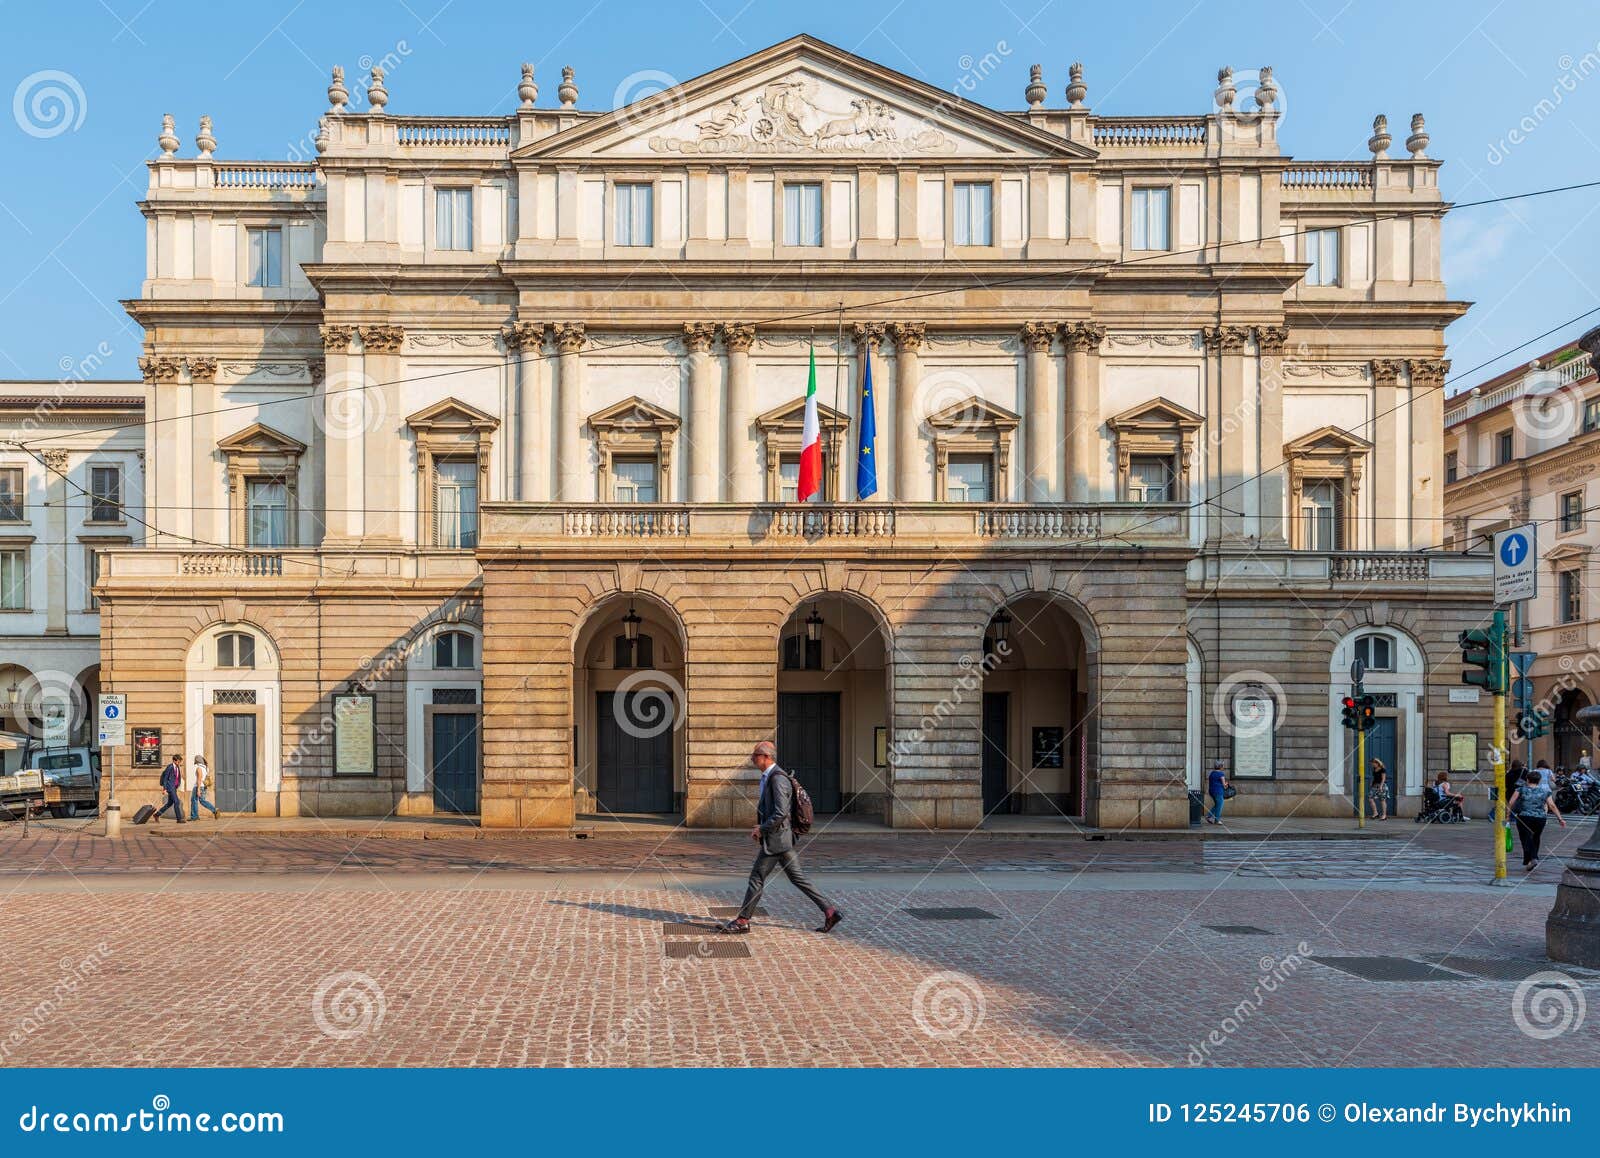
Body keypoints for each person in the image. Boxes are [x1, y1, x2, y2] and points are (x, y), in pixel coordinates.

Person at [721, 741, 841, 935]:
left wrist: (762, 828)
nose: (753, 759)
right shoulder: (770, 777)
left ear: (767, 757)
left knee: (756, 878)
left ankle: (743, 921)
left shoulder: (777, 779)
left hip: (776, 840)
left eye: (756, 755)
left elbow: (780, 813)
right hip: (782, 840)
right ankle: (830, 911)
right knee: (798, 879)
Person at [1508, 768, 1566, 871]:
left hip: (1524, 817)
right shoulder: (1545, 791)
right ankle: (1530, 859)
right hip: (1540, 818)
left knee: (1525, 838)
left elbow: (1511, 803)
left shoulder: (1520, 789)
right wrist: (1560, 819)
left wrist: (1507, 815)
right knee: (1536, 837)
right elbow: (1552, 805)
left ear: (1527, 780)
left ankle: (1532, 858)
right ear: (1539, 781)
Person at [153, 754, 186, 824]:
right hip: (170, 787)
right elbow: (165, 778)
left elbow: (177, 777)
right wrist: (164, 789)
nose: (179, 763)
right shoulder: (170, 767)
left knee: (169, 804)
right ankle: (179, 819)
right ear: (174, 760)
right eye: (178, 761)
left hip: (174, 787)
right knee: (177, 802)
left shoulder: (177, 767)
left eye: (180, 761)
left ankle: (157, 814)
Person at [189, 754, 219, 820]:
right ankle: (214, 810)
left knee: (194, 800)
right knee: (202, 801)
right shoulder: (205, 768)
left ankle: (194, 816)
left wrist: (198, 789)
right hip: (204, 787)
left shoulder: (199, 768)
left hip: (198, 786)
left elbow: (199, 779)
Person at [1205, 760, 1228, 825]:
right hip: (1218, 791)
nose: (1223, 767)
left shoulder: (1212, 773)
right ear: (1220, 766)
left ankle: (1209, 816)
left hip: (1211, 791)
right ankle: (1216, 820)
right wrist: (1226, 784)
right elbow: (1224, 785)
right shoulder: (1221, 774)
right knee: (1220, 805)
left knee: (1217, 805)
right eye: (1223, 765)